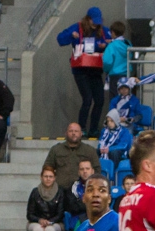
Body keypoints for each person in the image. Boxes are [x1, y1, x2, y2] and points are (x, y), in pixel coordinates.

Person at [56, 7, 111, 137]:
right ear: (88, 19)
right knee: (87, 99)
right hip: (80, 70)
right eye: (93, 21)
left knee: (100, 100)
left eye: (97, 22)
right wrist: (71, 36)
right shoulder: (77, 27)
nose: (95, 24)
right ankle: (82, 128)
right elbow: (60, 39)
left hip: (95, 70)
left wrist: (107, 44)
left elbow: (114, 42)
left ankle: (94, 129)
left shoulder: (103, 31)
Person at [43, 123, 101, 190]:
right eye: (71, 131)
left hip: (82, 190)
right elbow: (47, 168)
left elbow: (97, 170)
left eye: (76, 131)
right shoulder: (56, 149)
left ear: (81, 134)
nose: (73, 133)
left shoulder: (89, 150)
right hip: (60, 189)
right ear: (66, 133)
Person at [26, 165, 64, 231]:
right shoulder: (35, 192)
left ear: (54, 178)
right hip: (35, 223)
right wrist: (40, 220)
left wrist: (49, 222)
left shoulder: (60, 192)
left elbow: (60, 214)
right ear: (41, 177)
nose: (48, 179)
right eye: (46, 176)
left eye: (50, 176)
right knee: (38, 230)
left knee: (49, 230)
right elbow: (29, 214)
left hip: (56, 223)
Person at [102, 21, 131, 99]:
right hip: (127, 74)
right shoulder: (128, 44)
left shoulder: (112, 46)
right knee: (125, 98)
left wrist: (106, 70)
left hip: (115, 75)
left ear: (113, 32)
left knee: (115, 99)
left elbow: (107, 61)